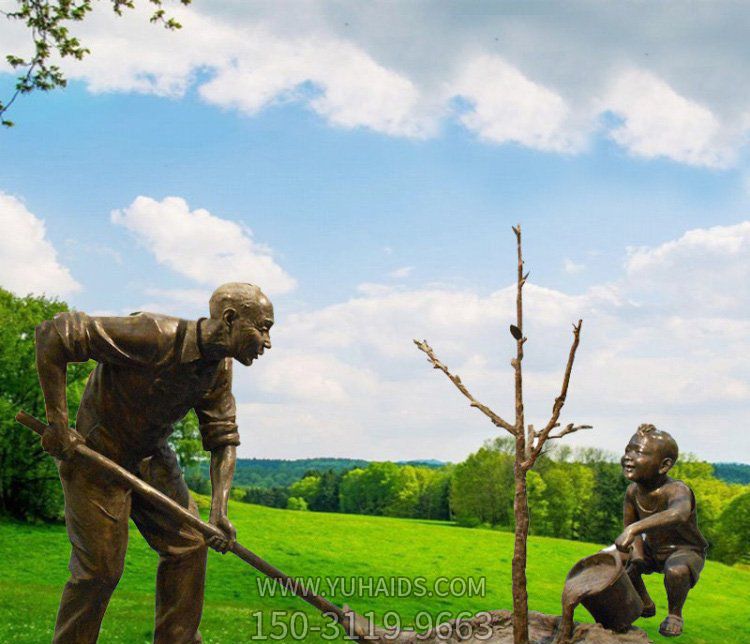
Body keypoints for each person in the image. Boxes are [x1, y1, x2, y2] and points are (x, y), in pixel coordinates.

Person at [35, 282, 274, 644]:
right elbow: (54, 333)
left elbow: (223, 439)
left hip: (151, 457)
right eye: (263, 328)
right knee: (99, 572)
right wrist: (58, 423)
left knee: (191, 543)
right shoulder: (152, 334)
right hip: (96, 458)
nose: (267, 342)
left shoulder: (219, 369)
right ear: (229, 319)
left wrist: (219, 511)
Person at [615, 424, 708, 638]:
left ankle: (674, 615)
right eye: (628, 450)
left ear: (664, 465)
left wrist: (635, 528)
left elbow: (679, 513)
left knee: (676, 571)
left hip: (685, 550)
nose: (628, 457)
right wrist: (636, 558)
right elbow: (631, 531)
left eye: (638, 452)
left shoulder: (676, 490)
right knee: (618, 562)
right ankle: (644, 604)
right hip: (653, 549)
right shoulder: (632, 492)